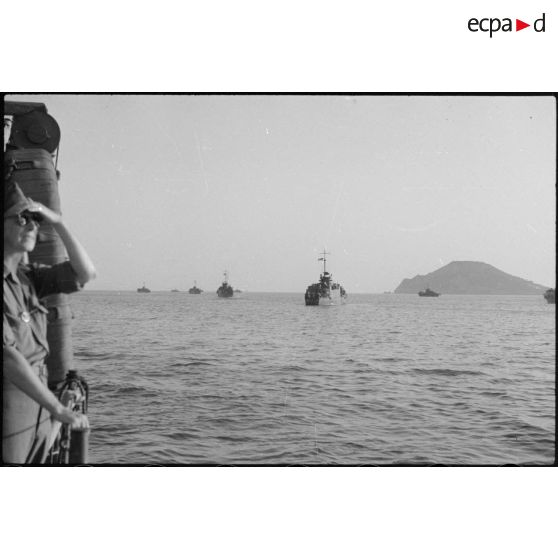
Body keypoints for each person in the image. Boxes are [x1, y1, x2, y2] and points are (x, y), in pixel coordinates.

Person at [3, 181, 97, 463]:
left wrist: (57, 221)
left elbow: (86, 273)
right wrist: (58, 408)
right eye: (22, 218)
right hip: (12, 404)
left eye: (35, 219)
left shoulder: (28, 278)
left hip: (40, 401)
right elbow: (7, 357)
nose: (32, 225)